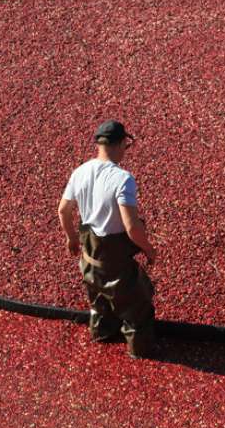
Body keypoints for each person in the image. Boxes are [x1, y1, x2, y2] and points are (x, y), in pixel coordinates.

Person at [57, 120, 157, 358]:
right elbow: (131, 227)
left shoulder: (80, 172)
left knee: (98, 297)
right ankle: (139, 350)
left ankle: (102, 333)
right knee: (136, 304)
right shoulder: (123, 179)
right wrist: (149, 249)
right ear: (122, 143)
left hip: (89, 256)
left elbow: (63, 210)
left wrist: (71, 239)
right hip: (114, 259)